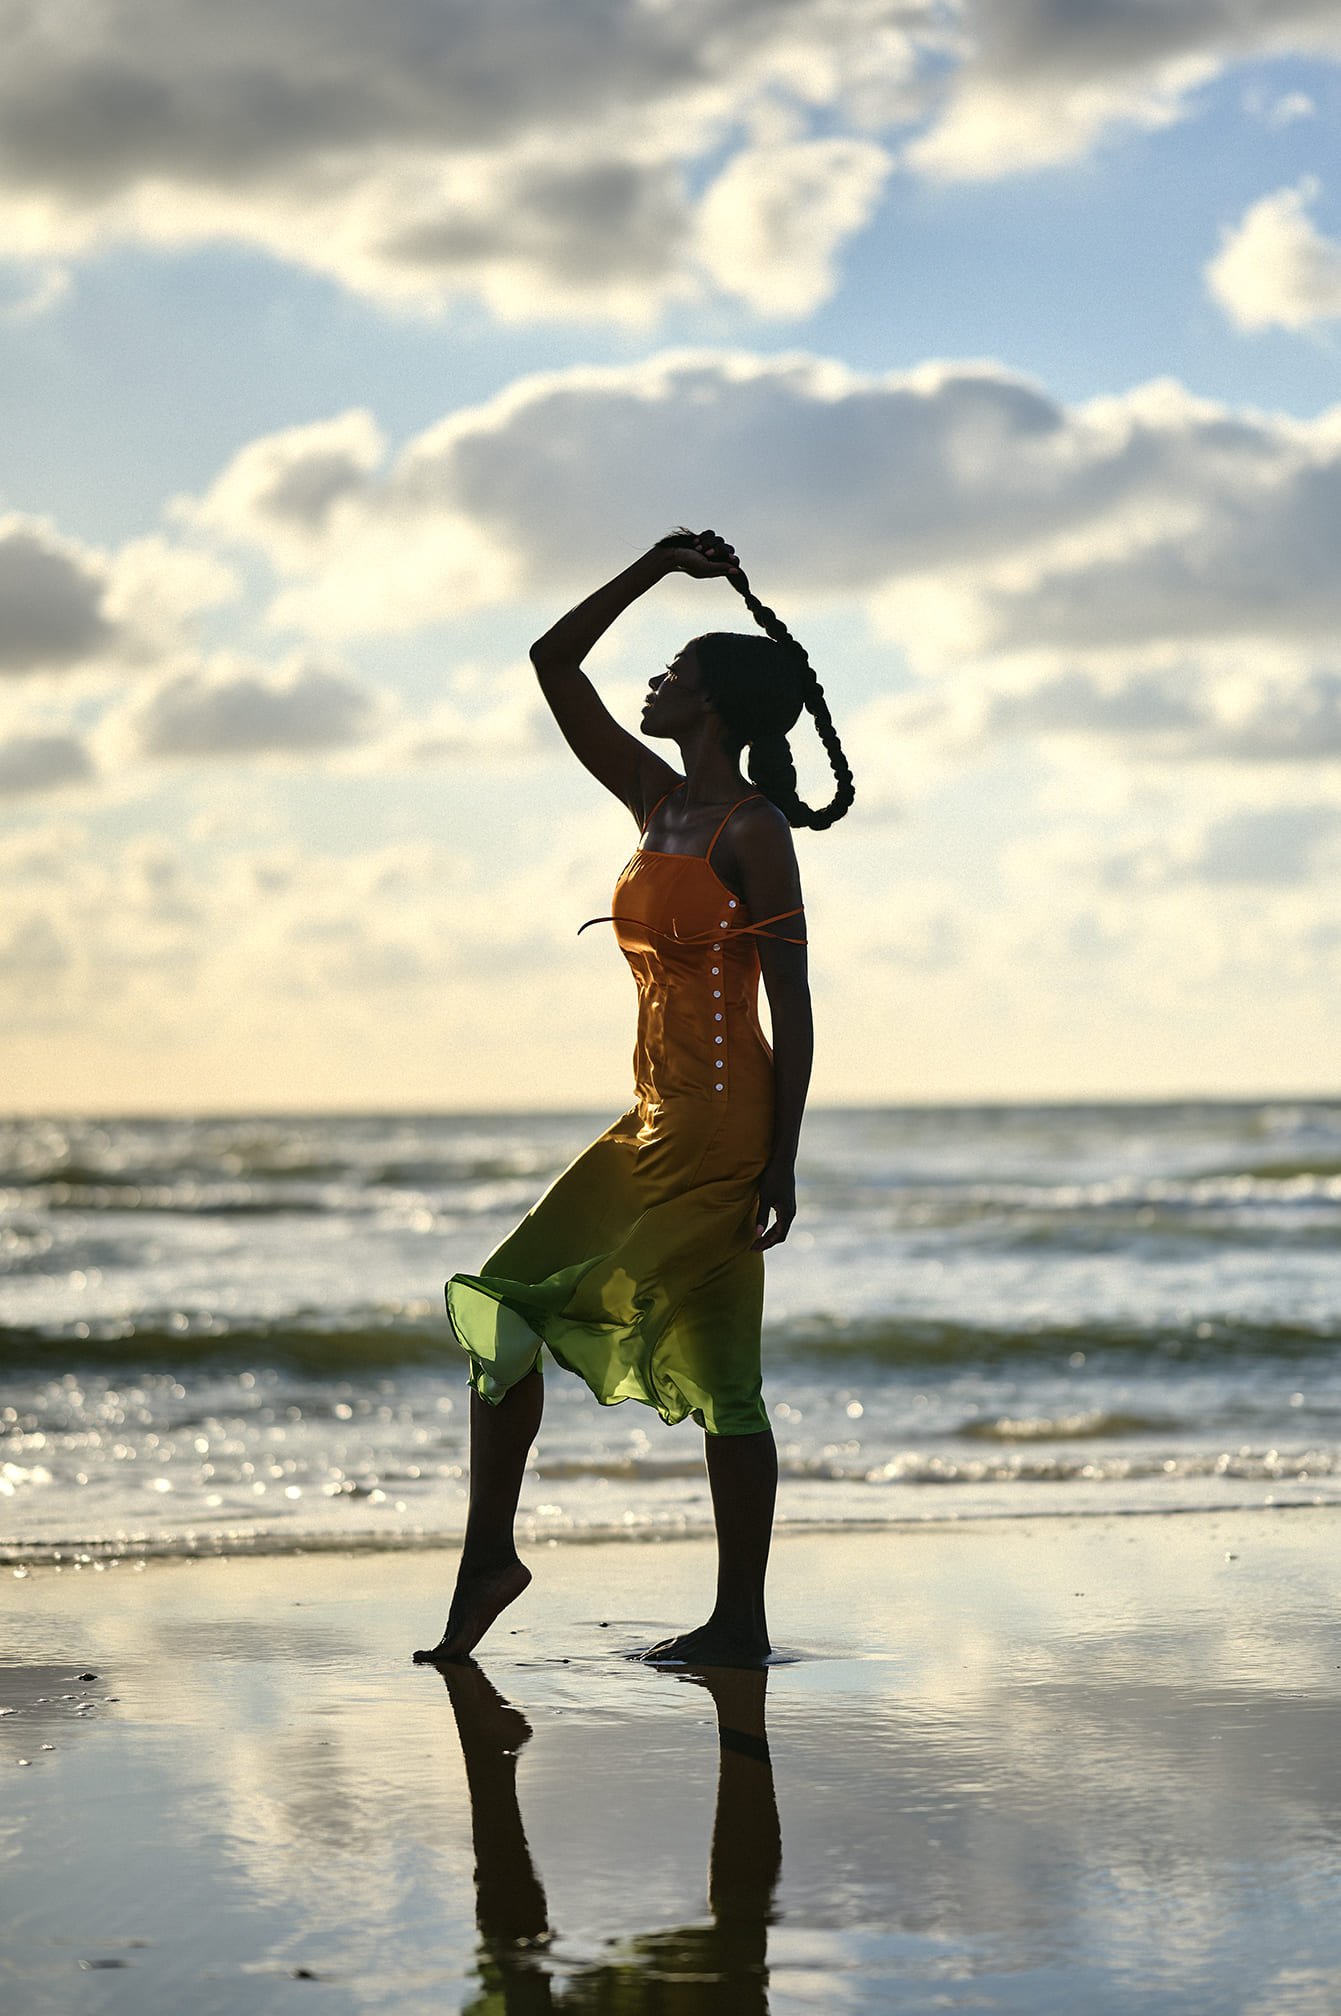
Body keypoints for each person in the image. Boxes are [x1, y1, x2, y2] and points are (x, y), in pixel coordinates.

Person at [414, 527, 854, 1668]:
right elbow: (554, 662)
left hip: (721, 1126)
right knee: (505, 1306)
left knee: (719, 1370)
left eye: (675, 676)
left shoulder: (753, 833)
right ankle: (497, 1559)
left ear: (713, 710)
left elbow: (794, 1009)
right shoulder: (653, 801)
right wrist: (655, 565)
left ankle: (733, 1622)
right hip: (652, 1113)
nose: (654, 684)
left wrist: (785, 1158)